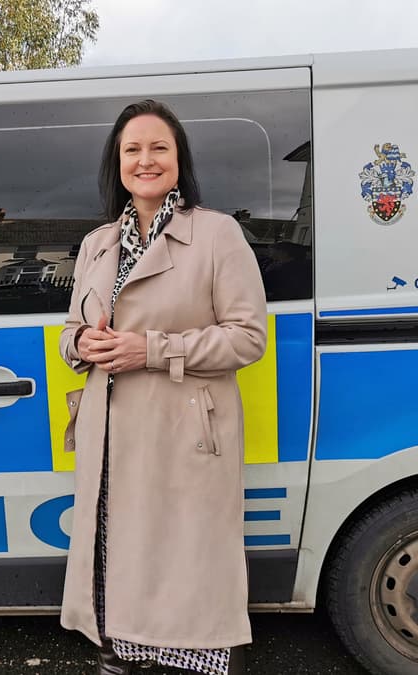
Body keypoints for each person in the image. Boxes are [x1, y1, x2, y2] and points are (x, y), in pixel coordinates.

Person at [58, 99, 267, 675]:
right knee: (115, 568)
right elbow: (71, 331)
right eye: (132, 149)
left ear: (179, 159)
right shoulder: (96, 243)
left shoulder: (216, 234)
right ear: (116, 162)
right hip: (110, 438)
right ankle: (118, 655)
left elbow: (248, 339)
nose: (144, 160)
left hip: (184, 439)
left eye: (158, 148)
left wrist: (150, 349)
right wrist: (83, 346)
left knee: (185, 572)